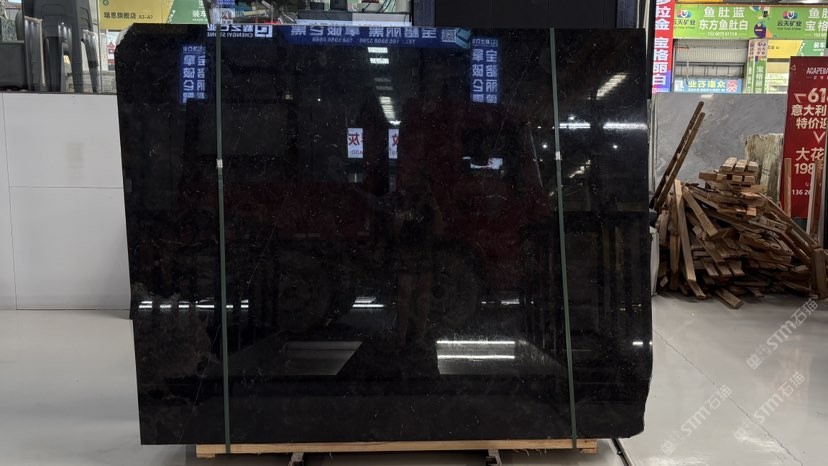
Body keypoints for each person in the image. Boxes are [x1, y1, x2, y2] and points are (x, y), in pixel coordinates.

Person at [392, 173, 444, 348]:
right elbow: (395, 229)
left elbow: (439, 231)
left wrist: (434, 207)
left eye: (422, 192)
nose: (419, 196)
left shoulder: (430, 210)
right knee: (405, 299)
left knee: (422, 300)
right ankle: (402, 338)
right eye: (416, 191)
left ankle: (417, 337)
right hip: (408, 254)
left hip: (422, 255)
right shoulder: (405, 206)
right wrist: (406, 207)